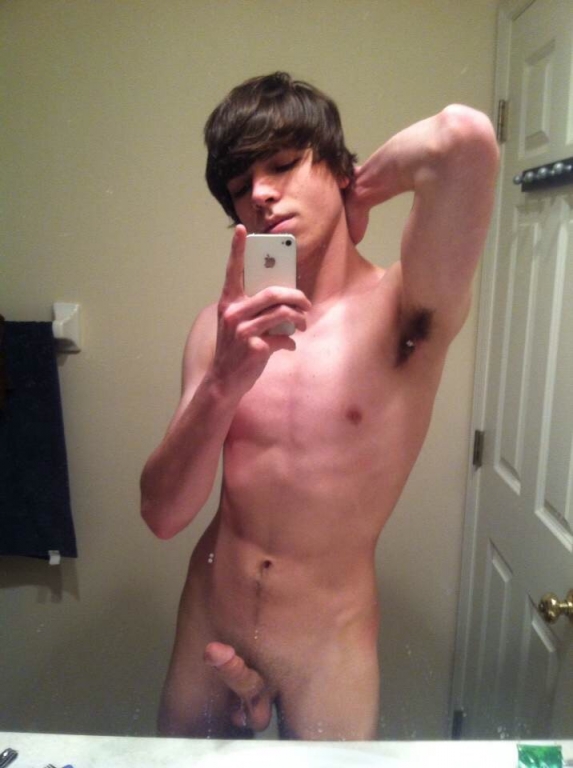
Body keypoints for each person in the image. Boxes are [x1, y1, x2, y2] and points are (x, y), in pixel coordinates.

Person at [140, 72, 499, 740]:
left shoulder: (404, 314)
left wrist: (359, 194)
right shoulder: (220, 332)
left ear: (335, 166)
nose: (260, 194)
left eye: (282, 165)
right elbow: (162, 515)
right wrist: (223, 380)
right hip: (211, 619)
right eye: (240, 186)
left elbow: (462, 137)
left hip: (327, 645)